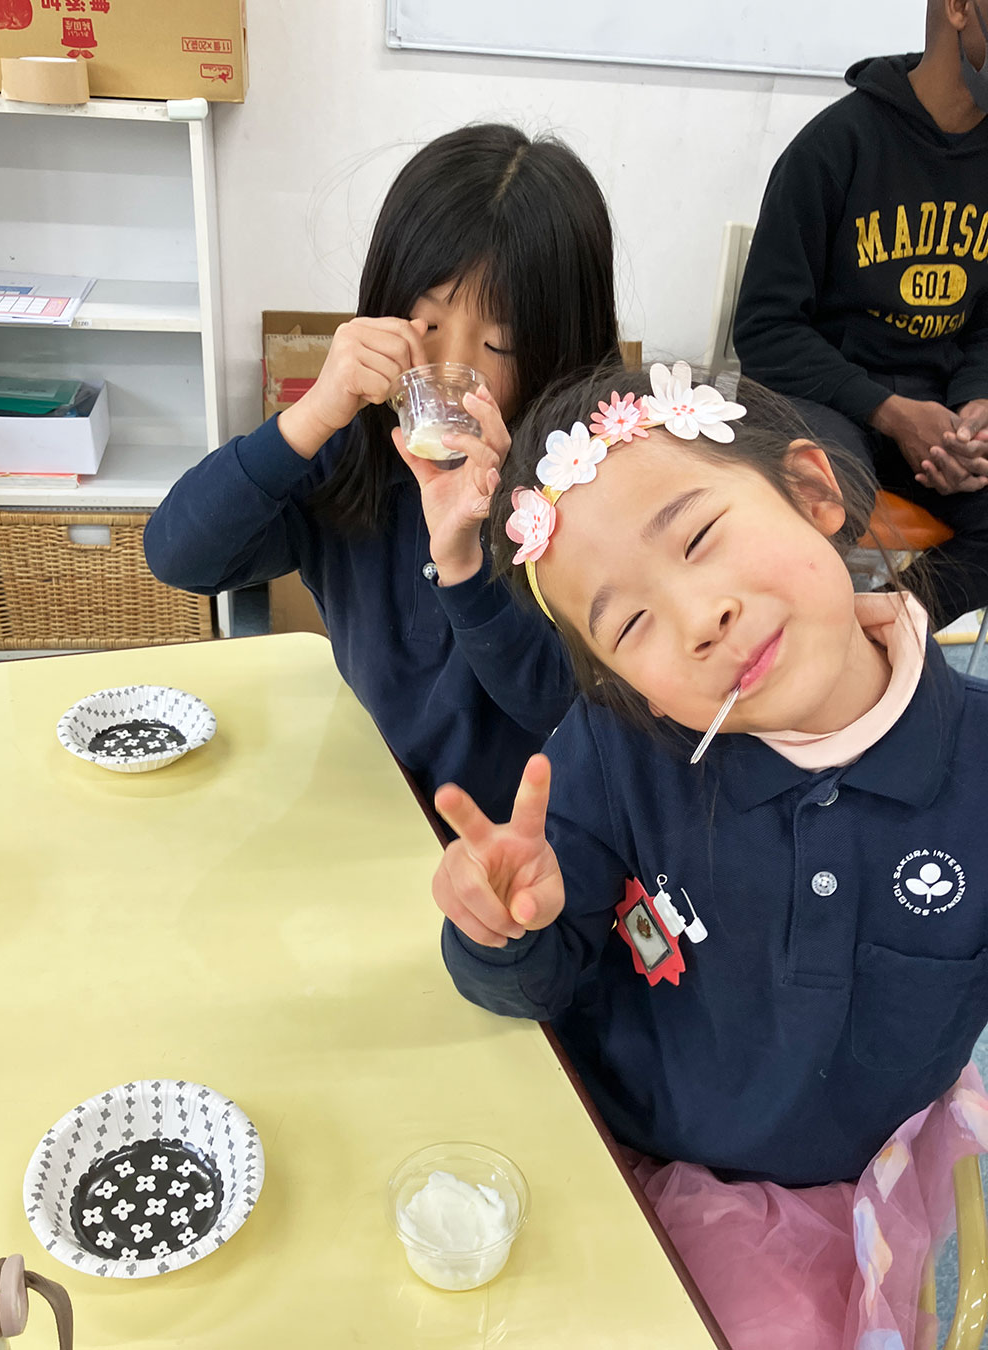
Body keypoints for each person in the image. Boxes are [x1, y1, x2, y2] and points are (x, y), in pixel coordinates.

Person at [430, 359, 988, 1348]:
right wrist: (502, 928)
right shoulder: (615, 753)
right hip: (623, 1163)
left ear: (814, 493)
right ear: (627, 685)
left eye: (699, 537)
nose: (699, 620)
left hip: (866, 1192)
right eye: (631, 623)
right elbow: (534, 988)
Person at [145, 123, 619, 824]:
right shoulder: (350, 455)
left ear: (558, 348)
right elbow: (178, 555)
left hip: (526, 841)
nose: (451, 368)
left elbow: (560, 703)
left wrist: (466, 560)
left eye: (500, 343)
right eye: (425, 325)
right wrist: (309, 418)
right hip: (373, 805)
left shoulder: (585, 484)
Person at [733, 0, 988, 628]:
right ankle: (804, 641)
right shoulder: (833, 146)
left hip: (938, 408)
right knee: (826, 495)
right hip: (825, 400)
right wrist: (891, 411)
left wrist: (977, 405)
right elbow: (766, 328)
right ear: (960, 9)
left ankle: (877, 634)